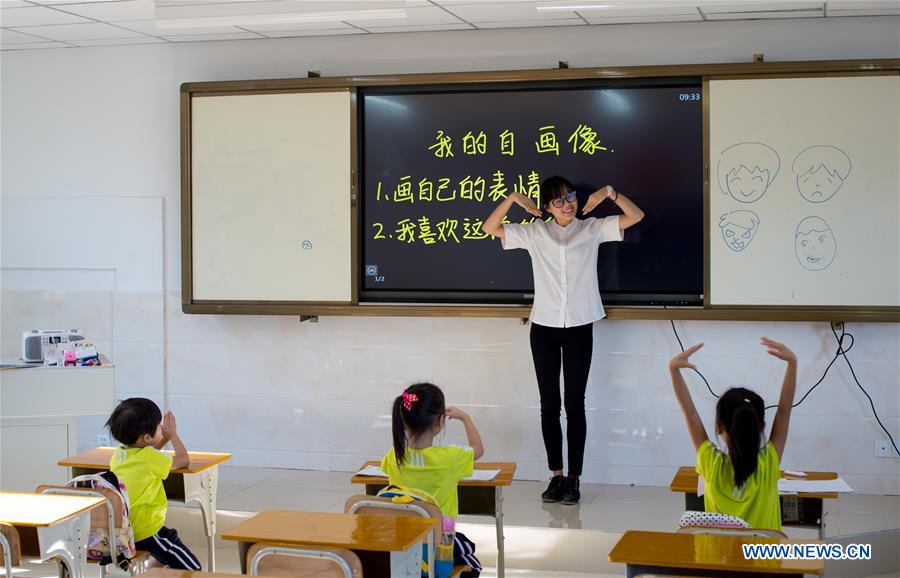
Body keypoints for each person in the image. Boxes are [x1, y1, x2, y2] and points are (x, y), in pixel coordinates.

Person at [482, 176, 644, 504]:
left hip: (580, 325)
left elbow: (636, 217)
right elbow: (490, 227)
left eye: (569, 196)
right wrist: (514, 198)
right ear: (545, 207)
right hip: (543, 326)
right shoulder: (535, 232)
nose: (566, 204)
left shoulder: (591, 228)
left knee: (575, 404)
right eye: (557, 200)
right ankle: (555, 476)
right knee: (549, 406)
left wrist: (610, 191)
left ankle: (574, 478)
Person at [669, 338, 797, 530]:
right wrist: (792, 364)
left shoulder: (711, 464)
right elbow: (784, 412)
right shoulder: (769, 463)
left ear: (719, 427)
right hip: (764, 560)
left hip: (719, 559)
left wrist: (673, 370)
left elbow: (690, 413)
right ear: (761, 426)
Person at [381, 383, 484, 577]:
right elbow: (478, 449)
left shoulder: (393, 457)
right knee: (470, 555)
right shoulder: (449, 459)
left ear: (403, 420)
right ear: (439, 421)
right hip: (438, 552)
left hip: (401, 549)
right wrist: (465, 418)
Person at [105, 398, 201, 570]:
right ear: (147, 437)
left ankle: (152, 571)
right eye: (158, 425)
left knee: (168, 546)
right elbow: (183, 460)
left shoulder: (118, 456)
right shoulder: (149, 459)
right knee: (194, 568)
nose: (161, 427)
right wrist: (173, 436)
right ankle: (152, 572)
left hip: (127, 530)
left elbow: (149, 455)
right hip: (147, 531)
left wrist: (161, 439)